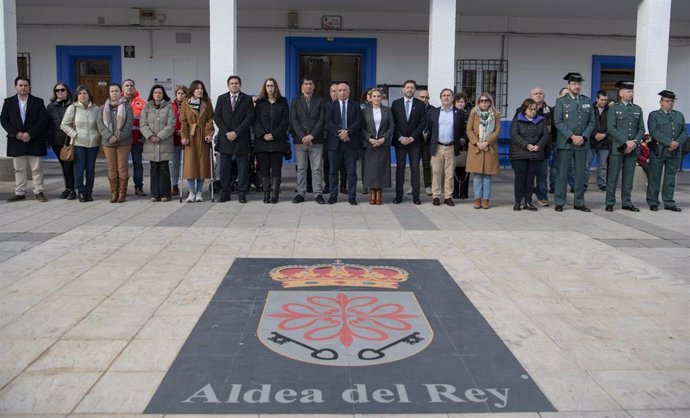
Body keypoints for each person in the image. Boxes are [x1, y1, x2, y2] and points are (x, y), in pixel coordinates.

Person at [1, 76, 50, 202]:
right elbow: (4, 120)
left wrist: (30, 133)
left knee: (36, 169)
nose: (23, 88)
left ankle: (39, 192)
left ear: (29, 87)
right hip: (16, 140)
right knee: (19, 169)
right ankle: (20, 193)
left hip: (34, 140)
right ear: (16, 87)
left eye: (25, 85)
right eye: (20, 85)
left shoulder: (38, 102)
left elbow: (43, 120)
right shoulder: (8, 102)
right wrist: (16, 133)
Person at [553, 72, 595, 212]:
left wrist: (583, 136)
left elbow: (591, 122)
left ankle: (579, 202)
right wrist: (572, 136)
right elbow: (558, 122)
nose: (577, 86)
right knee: (562, 173)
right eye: (574, 84)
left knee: (580, 174)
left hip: (582, 143)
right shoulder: (561, 101)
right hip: (566, 143)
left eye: (579, 84)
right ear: (568, 85)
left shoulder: (587, 101)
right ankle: (559, 201)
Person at [605, 81, 645, 212]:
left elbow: (641, 129)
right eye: (628, 91)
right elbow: (611, 128)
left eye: (632, 91)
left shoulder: (637, 109)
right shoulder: (614, 108)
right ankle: (610, 202)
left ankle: (626, 202)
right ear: (621, 93)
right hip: (618, 147)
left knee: (628, 177)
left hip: (633, 148)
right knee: (613, 176)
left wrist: (634, 142)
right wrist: (625, 141)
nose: (631, 93)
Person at [214, 75, 255, 203]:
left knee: (243, 168)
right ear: (228, 85)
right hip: (225, 139)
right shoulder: (222, 98)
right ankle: (225, 192)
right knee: (224, 168)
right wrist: (227, 132)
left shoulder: (247, 99)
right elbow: (217, 117)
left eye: (236, 83)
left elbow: (249, 118)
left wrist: (236, 132)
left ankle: (242, 193)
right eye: (231, 83)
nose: (234, 85)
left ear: (240, 85)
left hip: (241, 138)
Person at [646, 90, 687, 211]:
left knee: (670, 178)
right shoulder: (654, 115)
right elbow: (654, 131)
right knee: (654, 177)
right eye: (667, 101)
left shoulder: (679, 115)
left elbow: (684, 131)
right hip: (659, 151)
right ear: (661, 102)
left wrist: (676, 143)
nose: (670, 103)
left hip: (674, 151)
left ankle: (669, 202)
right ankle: (653, 202)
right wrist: (669, 142)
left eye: (672, 101)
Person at [60, 85, 101, 202]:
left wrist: (99, 136)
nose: (82, 96)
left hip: (93, 144)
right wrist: (75, 134)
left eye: (85, 93)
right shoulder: (73, 108)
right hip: (78, 143)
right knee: (79, 169)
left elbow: (100, 125)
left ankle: (89, 192)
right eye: (80, 94)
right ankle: (81, 192)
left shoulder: (96, 109)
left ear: (89, 95)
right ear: (77, 96)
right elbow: (64, 125)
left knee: (90, 169)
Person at [253, 78, 290, 204]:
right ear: (265, 87)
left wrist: (274, 134)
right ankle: (266, 193)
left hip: (277, 141)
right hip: (262, 142)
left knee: (276, 169)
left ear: (276, 87)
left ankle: (274, 194)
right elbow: (255, 121)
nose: (270, 88)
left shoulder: (283, 102)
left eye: (272, 86)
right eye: (268, 86)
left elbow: (285, 121)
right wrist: (263, 135)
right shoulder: (260, 103)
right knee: (264, 169)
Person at [325, 82, 362, 205]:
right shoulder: (330, 106)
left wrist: (348, 132)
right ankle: (333, 195)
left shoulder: (355, 105)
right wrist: (340, 133)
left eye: (344, 90)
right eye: (339, 90)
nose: (341, 92)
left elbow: (359, 121)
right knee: (333, 171)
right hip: (334, 143)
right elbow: (328, 122)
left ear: (349, 91)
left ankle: (352, 196)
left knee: (351, 172)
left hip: (350, 143)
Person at [510, 98, 550, 211]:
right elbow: (514, 134)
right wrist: (527, 145)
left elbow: (545, 135)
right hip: (519, 154)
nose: (533, 111)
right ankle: (518, 201)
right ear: (524, 109)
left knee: (530, 179)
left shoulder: (541, 120)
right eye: (530, 109)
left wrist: (538, 146)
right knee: (520, 179)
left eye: (535, 109)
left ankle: (528, 201)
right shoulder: (517, 119)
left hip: (535, 154)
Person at [290, 76, 326, 204]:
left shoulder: (320, 101)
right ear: (302, 87)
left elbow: (321, 120)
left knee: (316, 169)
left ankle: (317, 194)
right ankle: (301, 193)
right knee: (301, 169)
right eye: (306, 84)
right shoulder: (295, 101)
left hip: (316, 141)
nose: (308, 86)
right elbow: (293, 120)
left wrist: (312, 135)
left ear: (314, 86)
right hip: (300, 141)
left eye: (310, 84)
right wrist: (303, 136)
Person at [428, 88, 465, 206]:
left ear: (452, 98)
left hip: (451, 147)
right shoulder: (434, 112)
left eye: (449, 95)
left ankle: (448, 196)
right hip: (437, 146)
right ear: (440, 98)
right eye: (444, 95)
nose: (446, 97)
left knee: (449, 174)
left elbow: (463, 130)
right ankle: (436, 196)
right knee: (436, 172)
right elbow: (429, 128)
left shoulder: (459, 113)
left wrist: (463, 138)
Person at [390, 80, 426, 205]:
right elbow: (392, 123)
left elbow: (423, 123)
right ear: (403, 89)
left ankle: (416, 196)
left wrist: (411, 137)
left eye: (412, 88)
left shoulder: (420, 104)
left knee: (415, 169)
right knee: (400, 169)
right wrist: (400, 137)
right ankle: (398, 195)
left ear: (415, 90)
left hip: (415, 143)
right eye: (407, 87)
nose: (410, 89)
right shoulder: (395, 104)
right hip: (400, 142)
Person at [97, 83, 133, 203]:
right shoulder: (103, 108)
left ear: (120, 92)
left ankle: (122, 193)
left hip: (123, 142)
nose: (114, 93)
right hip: (108, 143)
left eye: (116, 91)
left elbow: (129, 125)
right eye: (112, 91)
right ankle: (114, 193)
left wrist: (117, 137)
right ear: (109, 93)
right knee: (112, 168)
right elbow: (100, 124)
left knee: (122, 167)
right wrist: (109, 136)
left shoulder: (127, 106)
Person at [180, 80, 215, 202]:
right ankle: (191, 192)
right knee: (191, 165)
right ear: (192, 90)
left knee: (202, 165)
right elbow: (183, 121)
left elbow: (210, 119)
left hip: (203, 136)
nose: (199, 91)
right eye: (197, 88)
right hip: (191, 136)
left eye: (201, 88)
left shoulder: (207, 103)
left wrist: (209, 133)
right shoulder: (186, 103)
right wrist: (184, 136)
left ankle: (199, 192)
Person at [140, 84, 176, 202]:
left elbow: (171, 124)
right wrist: (150, 136)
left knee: (164, 168)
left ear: (163, 94)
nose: (157, 95)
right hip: (150, 142)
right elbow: (143, 124)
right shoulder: (146, 107)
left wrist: (160, 136)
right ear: (152, 94)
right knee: (154, 168)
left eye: (160, 93)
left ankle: (165, 194)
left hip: (164, 141)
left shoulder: (169, 107)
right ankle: (154, 194)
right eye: (155, 92)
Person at [466, 92, 501, 209]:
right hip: (476, 148)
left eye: (486, 100)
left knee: (487, 175)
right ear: (478, 102)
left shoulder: (495, 114)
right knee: (477, 175)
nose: (484, 102)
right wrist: (477, 142)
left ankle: (486, 200)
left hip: (489, 148)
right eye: (481, 101)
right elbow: (469, 130)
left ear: (490, 102)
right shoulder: (474, 114)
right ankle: (477, 199)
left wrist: (487, 142)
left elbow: (497, 131)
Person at [361, 88, 394, 205]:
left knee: (381, 169)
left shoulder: (387, 110)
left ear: (382, 98)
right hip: (369, 144)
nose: (376, 98)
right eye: (374, 96)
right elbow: (362, 128)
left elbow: (391, 127)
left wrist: (383, 138)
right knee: (370, 170)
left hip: (383, 144)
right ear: (370, 98)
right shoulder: (365, 111)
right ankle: (372, 192)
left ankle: (379, 193)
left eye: (378, 96)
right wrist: (369, 138)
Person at [47, 82, 75, 200]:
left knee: (70, 165)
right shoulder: (51, 106)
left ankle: (72, 189)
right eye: (57, 90)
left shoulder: (73, 105)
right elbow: (47, 124)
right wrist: (47, 141)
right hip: (56, 140)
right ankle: (68, 188)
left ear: (67, 91)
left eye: (62, 90)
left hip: (70, 139)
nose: (60, 92)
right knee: (64, 165)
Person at [526, 87, 554, 206]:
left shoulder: (550, 111)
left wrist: (543, 144)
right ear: (531, 96)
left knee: (542, 175)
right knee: (528, 175)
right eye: (536, 93)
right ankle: (526, 197)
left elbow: (552, 131)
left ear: (544, 96)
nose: (538, 95)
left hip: (544, 148)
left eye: (541, 93)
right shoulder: (522, 109)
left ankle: (542, 196)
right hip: (527, 149)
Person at [122, 79, 147, 196]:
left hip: (137, 139)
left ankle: (138, 187)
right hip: (122, 140)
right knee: (122, 165)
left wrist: (145, 136)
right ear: (123, 88)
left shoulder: (141, 103)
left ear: (135, 87)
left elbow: (147, 121)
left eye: (131, 85)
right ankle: (123, 188)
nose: (129, 88)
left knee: (138, 164)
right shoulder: (118, 102)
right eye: (127, 85)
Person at [586, 90, 611, 192]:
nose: (604, 102)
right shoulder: (590, 109)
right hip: (591, 141)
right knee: (586, 164)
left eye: (605, 100)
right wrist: (594, 134)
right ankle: (584, 184)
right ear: (597, 99)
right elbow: (587, 124)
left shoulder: (610, 110)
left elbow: (613, 125)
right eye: (602, 100)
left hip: (605, 142)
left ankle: (602, 184)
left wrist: (605, 134)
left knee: (602, 165)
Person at [452, 92, 470, 200]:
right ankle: (454, 192)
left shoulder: (469, 115)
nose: (460, 104)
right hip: (454, 144)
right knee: (454, 170)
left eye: (462, 102)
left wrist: (465, 138)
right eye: (458, 102)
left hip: (466, 145)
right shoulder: (451, 114)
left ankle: (464, 193)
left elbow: (471, 130)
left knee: (465, 170)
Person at [171, 85, 187, 196]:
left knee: (188, 163)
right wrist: (176, 130)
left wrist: (184, 132)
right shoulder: (171, 106)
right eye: (179, 93)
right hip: (174, 137)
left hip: (187, 137)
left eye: (183, 93)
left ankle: (190, 185)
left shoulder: (190, 105)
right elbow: (169, 120)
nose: (180, 95)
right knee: (175, 163)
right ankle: (174, 185)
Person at [417, 89, 433, 196]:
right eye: (422, 97)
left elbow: (435, 125)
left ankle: (428, 186)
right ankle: (413, 186)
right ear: (418, 98)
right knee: (414, 165)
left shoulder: (433, 110)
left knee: (426, 165)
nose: (424, 99)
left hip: (428, 141)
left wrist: (429, 134)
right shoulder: (414, 108)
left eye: (426, 97)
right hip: (415, 141)